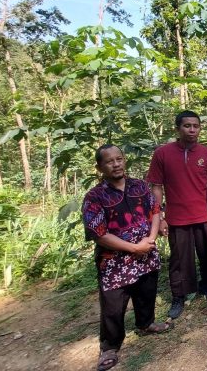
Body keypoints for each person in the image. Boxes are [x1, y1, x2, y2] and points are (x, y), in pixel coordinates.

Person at [82, 144, 171, 371]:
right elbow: (98, 233)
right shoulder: (95, 196)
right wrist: (133, 248)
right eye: (110, 161)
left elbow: (154, 212)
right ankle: (110, 346)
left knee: (146, 292)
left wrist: (150, 240)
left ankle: (146, 324)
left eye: (119, 159)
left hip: (146, 252)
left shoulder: (139, 186)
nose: (116, 164)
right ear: (99, 167)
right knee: (113, 304)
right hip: (115, 261)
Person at [146, 110, 207, 319]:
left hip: (204, 214)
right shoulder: (163, 153)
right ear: (177, 128)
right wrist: (158, 216)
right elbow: (157, 186)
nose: (192, 130)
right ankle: (179, 295)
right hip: (177, 217)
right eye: (187, 126)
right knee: (179, 258)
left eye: (196, 126)